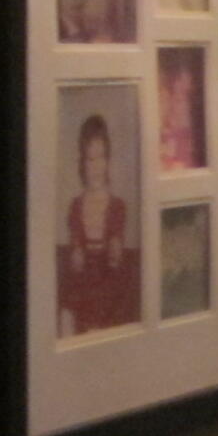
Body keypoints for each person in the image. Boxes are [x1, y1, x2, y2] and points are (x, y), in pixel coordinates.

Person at [57, 114, 138, 337]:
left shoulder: (117, 206)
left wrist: (115, 249)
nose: (96, 167)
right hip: (81, 288)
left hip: (109, 287)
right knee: (68, 308)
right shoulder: (75, 206)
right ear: (82, 163)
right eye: (90, 159)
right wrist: (76, 252)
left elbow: (116, 255)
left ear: (108, 160)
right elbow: (75, 258)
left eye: (101, 158)